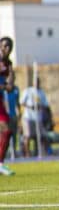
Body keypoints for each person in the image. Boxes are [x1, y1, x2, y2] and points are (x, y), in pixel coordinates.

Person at [20, 76, 48, 158]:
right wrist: (30, 106)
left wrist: (40, 106)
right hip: (28, 117)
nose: (37, 83)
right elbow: (21, 102)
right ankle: (27, 154)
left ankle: (40, 152)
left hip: (38, 118)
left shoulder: (41, 92)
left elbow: (45, 104)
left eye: (38, 82)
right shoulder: (28, 91)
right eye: (36, 81)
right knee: (27, 135)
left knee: (40, 136)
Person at [0, 37, 15, 175]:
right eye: (5, 46)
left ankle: (0, 163)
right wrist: (5, 86)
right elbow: (6, 86)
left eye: (10, 47)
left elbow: (11, 84)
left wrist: (8, 84)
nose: (7, 49)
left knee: (7, 129)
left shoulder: (8, 63)